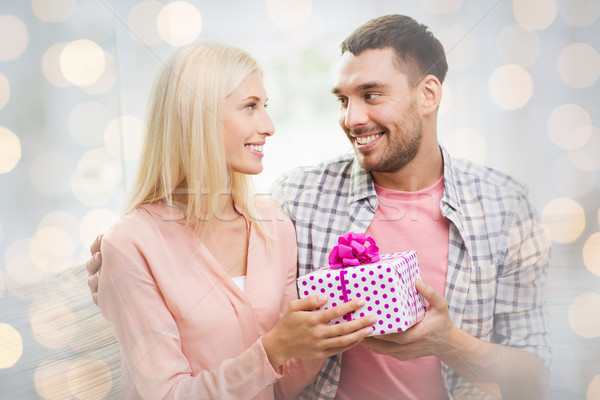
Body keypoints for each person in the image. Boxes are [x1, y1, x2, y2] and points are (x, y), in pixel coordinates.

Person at [88, 15, 551, 399]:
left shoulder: (505, 206)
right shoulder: (299, 199)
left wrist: (450, 343)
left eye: (371, 95)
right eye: (343, 100)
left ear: (428, 94)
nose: (351, 119)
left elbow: (536, 378)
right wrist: (120, 270)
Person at [93, 42, 376, 400]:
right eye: (250, 107)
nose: (269, 126)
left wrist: (325, 331)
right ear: (192, 114)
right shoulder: (131, 244)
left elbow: (283, 388)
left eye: (265, 106)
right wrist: (272, 350)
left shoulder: (273, 225)